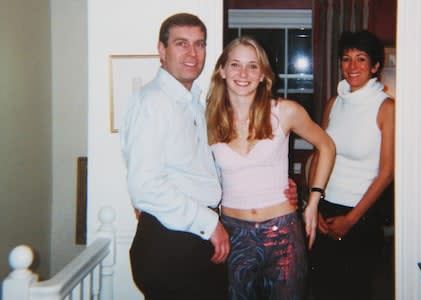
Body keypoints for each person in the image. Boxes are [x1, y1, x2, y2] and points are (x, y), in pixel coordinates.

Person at [120, 13, 297, 300]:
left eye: (199, 44)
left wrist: (277, 184)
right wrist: (209, 223)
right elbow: (145, 185)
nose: (192, 53)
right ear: (162, 50)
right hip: (172, 242)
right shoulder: (153, 102)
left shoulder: (194, 103)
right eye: (181, 44)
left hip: (193, 238)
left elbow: (205, 168)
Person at [205, 36, 336, 300]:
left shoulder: (285, 112)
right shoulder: (206, 117)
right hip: (233, 234)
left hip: (283, 234)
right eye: (235, 65)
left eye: (252, 66)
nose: (243, 74)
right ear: (222, 70)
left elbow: (327, 146)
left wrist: (312, 202)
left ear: (264, 74)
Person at [308, 30, 395, 300]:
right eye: (346, 59)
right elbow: (319, 155)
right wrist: (313, 205)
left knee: (354, 292)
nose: (352, 66)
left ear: (375, 66)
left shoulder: (386, 107)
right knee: (322, 290)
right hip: (325, 208)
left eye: (361, 59)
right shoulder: (334, 102)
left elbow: (387, 172)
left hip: (362, 216)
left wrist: (351, 220)